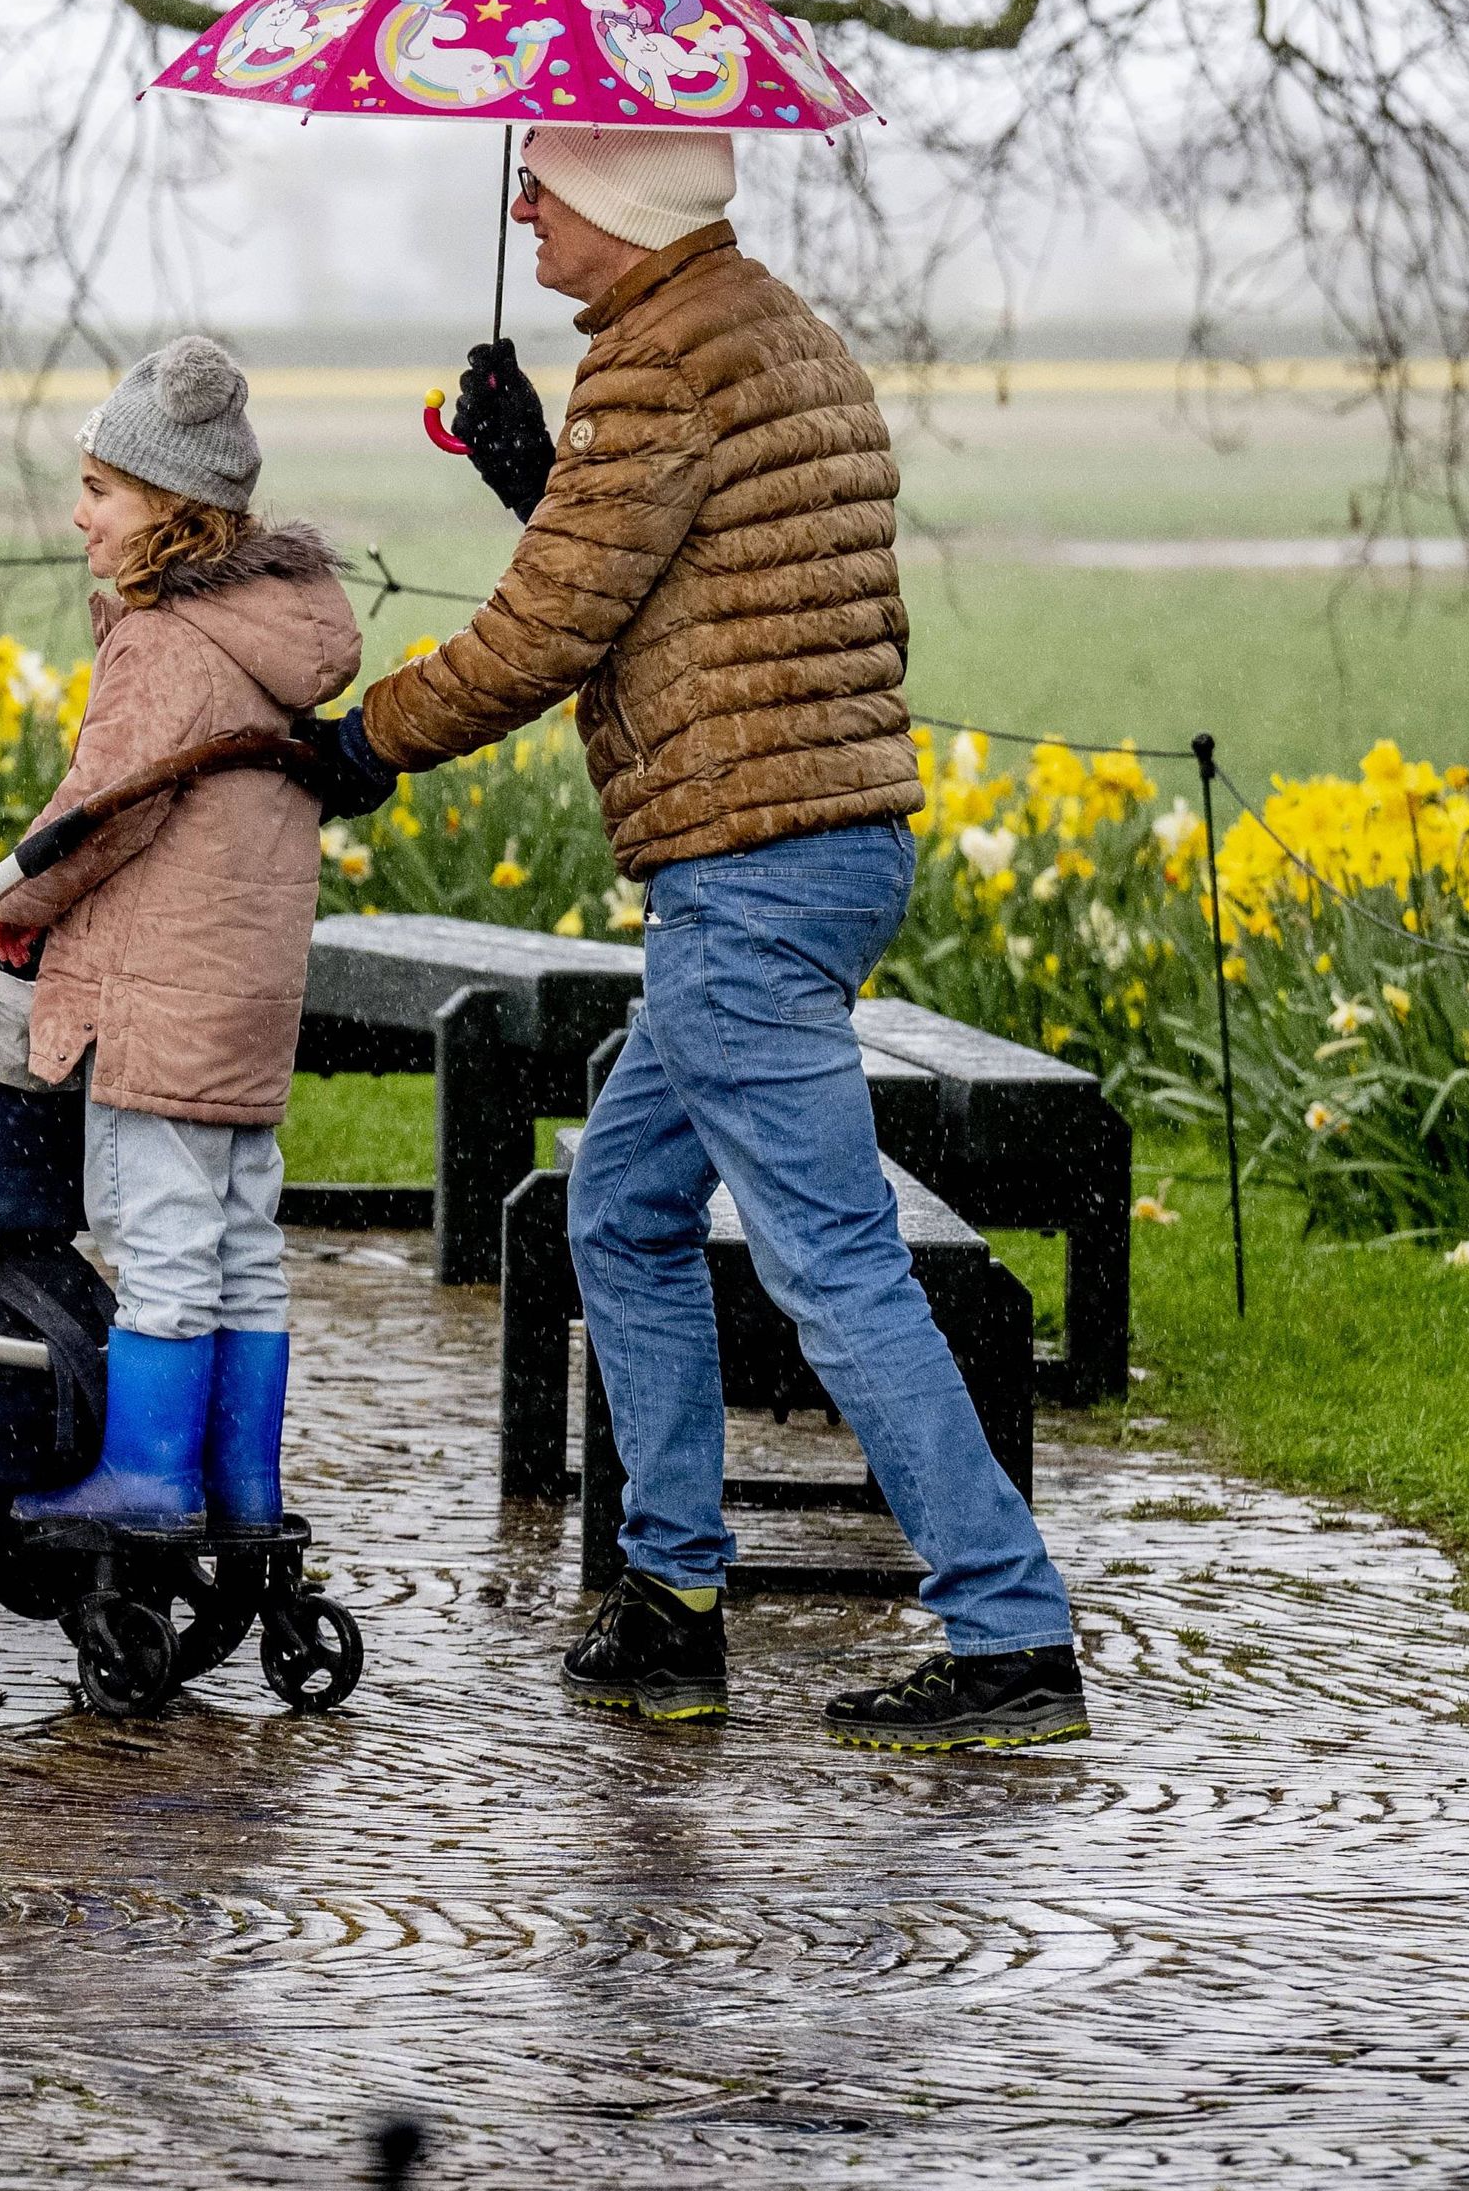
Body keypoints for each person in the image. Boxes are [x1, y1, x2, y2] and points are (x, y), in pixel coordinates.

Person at [294, 126, 1089, 1748]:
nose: (522, 206)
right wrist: (538, 475)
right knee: (629, 1208)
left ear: (618, 202)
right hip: (825, 846)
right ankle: (671, 1602)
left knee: (835, 1266)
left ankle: (1010, 1635)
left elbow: (554, 627)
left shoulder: (662, 366)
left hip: (747, 867)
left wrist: (365, 742)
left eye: (546, 185)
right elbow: (687, 582)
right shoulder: (775, 334)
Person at [0, 336, 367, 1536]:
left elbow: (100, 816)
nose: (80, 515)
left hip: (158, 996)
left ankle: (150, 1476)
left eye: (101, 491)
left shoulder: (164, 642)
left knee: (160, 1241)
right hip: (247, 1002)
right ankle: (241, 1488)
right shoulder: (275, 643)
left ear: (170, 509)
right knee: (243, 1243)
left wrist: (14, 903)